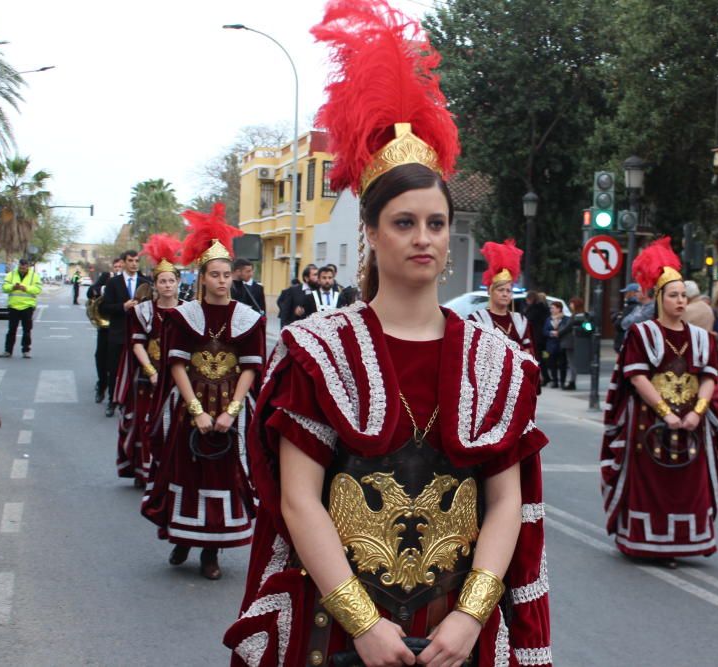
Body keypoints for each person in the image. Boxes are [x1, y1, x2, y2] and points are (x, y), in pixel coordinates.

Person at [225, 6, 551, 664]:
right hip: (336, 630)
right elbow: (298, 498)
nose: (424, 237)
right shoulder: (319, 350)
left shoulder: (498, 359)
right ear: (370, 232)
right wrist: (363, 622)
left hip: (456, 631)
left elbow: (505, 500)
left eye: (435, 221)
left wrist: (468, 617)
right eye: (404, 222)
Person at [140, 203, 264, 580]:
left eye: (227, 274)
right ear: (203, 277)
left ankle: (212, 553)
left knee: (226, 475)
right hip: (190, 403)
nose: (223, 281)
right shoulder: (183, 317)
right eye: (215, 274)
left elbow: (250, 367)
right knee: (189, 471)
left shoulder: (249, 318)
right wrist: (195, 409)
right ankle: (183, 538)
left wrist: (233, 409)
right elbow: (176, 364)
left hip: (230, 403)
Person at [600, 237, 718, 568]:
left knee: (688, 482)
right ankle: (644, 541)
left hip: (690, 425)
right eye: (674, 295)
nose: (681, 300)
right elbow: (637, 376)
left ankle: (685, 540)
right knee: (652, 481)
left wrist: (698, 413)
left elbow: (710, 377)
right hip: (651, 424)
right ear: (659, 298)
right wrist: (666, 413)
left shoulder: (702, 338)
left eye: (684, 295)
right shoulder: (642, 334)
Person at [112, 234, 183, 487]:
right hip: (148, 377)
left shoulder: (188, 311)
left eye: (170, 281)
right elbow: (137, 343)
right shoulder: (143, 311)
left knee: (177, 425)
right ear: (155, 284)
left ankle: (173, 471)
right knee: (147, 423)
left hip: (180, 378)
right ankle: (146, 472)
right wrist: (152, 371)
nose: (166, 285)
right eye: (162, 281)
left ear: (177, 283)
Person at [99, 250, 151, 418]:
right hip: (118, 332)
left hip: (138, 334)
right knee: (114, 369)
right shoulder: (114, 283)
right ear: (123, 262)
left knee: (135, 369)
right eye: (131, 260)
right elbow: (104, 307)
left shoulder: (145, 283)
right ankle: (112, 401)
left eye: (137, 260)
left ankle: (130, 403)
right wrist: (123, 306)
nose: (134, 263)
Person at [468, 239, 538, 358]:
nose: (505, 294)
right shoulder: (477, 319)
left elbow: (529, 351)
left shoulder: (520, 321)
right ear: (490, 291)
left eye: (508, 290)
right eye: (500, 290)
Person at [89, 258, 123, 403]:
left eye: (120, 266)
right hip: (105, 326)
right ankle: (102, 385)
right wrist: (103, 289)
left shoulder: (132, 280)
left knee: (117, 361)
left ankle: (117, 391)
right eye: (116, 266)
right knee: (100, 357)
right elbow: (91, 291)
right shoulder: (106, 277)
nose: (118, 268)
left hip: (121, 326)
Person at [0, 258, 42, 359]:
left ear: (28, 266)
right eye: (20, 268)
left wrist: (26, 288)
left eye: (24, 268)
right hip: (13, 306)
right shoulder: (11, 274)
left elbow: (38, 289)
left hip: (27, 306)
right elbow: (4, 287)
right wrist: (13, 287)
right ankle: (8, 351)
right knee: (11, 330)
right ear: (18, 266)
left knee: (27, 330)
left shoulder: (34, 276)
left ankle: (26, 350)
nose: (22, 269)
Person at [525, 291, 551, 385]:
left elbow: (527, 319)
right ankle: (545, 376)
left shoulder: (534, 309)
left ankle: (542, 377)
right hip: (542, 337)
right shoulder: (544, 308)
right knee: (542, 359)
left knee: (538, 359)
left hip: (536, 337)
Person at [561, 296, 584, 390]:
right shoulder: (581, 315)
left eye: (571, 303)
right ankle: (572, 381)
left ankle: (572, 382)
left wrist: (558, 333)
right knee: (572, 362)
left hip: (571, 341)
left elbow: (568, 327)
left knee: (571, 363)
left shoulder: (576, 316)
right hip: (576, 341)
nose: (570, 305)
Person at [543, 301, 567, 388]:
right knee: (552, 364)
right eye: (551, 308)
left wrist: (559, 333)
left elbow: (567, 330)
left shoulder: (565, 319)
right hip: (551, 345)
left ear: (559, 309)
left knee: (562, 364)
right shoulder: (548, 319)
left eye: (553, 308)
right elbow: (544, 331)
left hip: (561, 344)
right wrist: (551, 333)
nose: (551, 310)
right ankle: (555, 381)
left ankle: (563, 382)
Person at [613, 282, 641, 353]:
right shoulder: (631, 306)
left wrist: (618, 318)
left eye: (627, 292)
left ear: (633, 293)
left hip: (625, 343)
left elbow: (620, 324)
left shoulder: (632, 307)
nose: (625, 295)